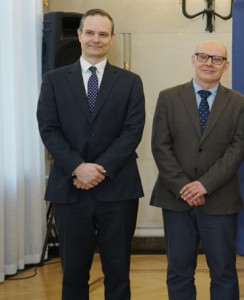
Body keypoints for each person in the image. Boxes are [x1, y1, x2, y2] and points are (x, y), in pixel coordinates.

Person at [36, 8, 145, 299]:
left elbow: (132, 132)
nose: (96, 39)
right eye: (91, 32)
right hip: (69, 190)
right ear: (80, 35)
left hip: (118, 188)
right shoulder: (54, 80)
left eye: (103, 34)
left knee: (118, 271)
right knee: (72, 272)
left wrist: (98, 169)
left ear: (111, 38)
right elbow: (48, 129)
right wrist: (77, 167)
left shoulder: (130, 81)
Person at [150, 40, 244, 300]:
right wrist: (184, 186)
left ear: (226, 66)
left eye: (217, 59)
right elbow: (160, 146)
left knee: (224, 271)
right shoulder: (169, 97)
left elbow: (237, 150)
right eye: (203, 56)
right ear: (193, 59)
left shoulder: (240, 103)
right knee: (179, 271)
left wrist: (204, 185)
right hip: (176, 199)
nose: (209, 63)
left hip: (220, 199)